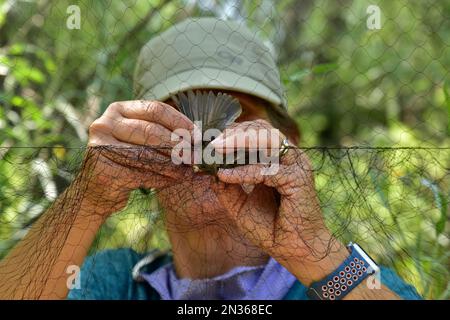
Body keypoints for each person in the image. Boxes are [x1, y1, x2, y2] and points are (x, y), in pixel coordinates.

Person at [0, 17, 421, 300]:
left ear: (287, 142)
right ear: (135, 146)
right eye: (175, 117)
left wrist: (313, 253)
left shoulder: (350, 281)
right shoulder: (115, 283)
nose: (203, 137)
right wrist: (88, 198)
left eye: (237, 115)